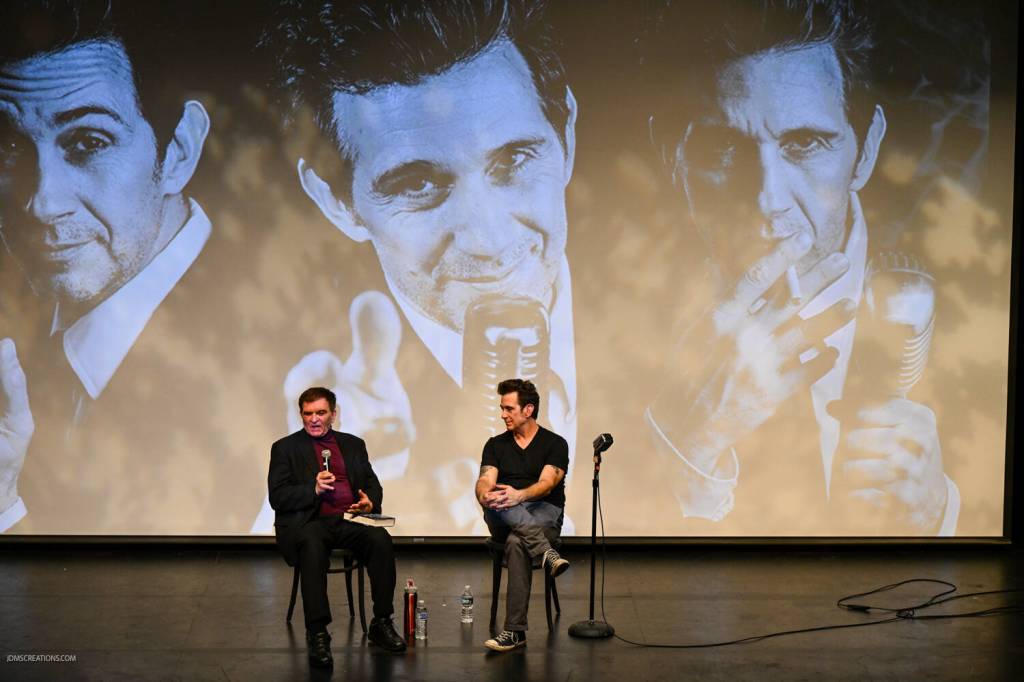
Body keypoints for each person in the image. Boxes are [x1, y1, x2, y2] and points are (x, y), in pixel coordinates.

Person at [254, 0, 580, 534]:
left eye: (514, 159)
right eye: (415, 185)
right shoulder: (324, 384)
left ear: (566, 135)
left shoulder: (697, 335)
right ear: (336, 200)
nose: (489, 239)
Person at [643, 0, 958, 535]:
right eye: (723, 148)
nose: (768, 200)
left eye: (805, 143)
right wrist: (697, 445)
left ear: (866, 148)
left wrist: (939, 513)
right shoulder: (608, 321)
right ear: (670, 154)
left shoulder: (962, 302)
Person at [0, 0, 218, 533]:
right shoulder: (28, 325)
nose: (43, 202)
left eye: (88, 142)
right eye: (8, 146)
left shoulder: (288, 370)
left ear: (179, 152)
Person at [269, 386, 406, 666]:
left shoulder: (353, 444)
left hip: (347, 519)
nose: (314, 419)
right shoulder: (285, 448)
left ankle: (381, 622)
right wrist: (313, 489)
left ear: (334, 414)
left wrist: (370, 502)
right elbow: (278, 497)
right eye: (308, 414)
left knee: (380, 539)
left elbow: (371, 483)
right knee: (311, 543)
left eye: (321, 413)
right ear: (301, 415)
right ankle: (318, 632)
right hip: (308, 523)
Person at [476, 378, 569, 652]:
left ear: (528, 410)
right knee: (500, 502)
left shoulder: (555, 444)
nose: (502, 414)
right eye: (502, 408)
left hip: (543, 511)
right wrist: (485, 495)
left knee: (518, 543)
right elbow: (485, 480)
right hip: (502, 514)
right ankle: (546, 553)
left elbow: (547, 484)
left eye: (508, 409)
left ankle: (515, 632)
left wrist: (519, 495)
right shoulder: (495, 444)